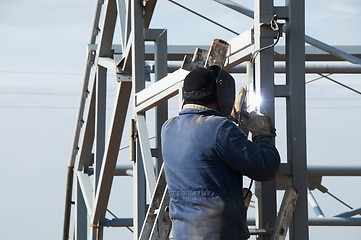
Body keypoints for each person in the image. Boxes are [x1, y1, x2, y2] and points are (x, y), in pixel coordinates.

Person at [161, 66, 280, 240]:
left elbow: (205, 150)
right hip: (219, 234)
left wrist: (229, 120)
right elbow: (266, 167)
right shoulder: (220, 129)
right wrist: (263, 135)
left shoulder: (169, 129)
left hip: (183, 234)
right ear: (221, 93)